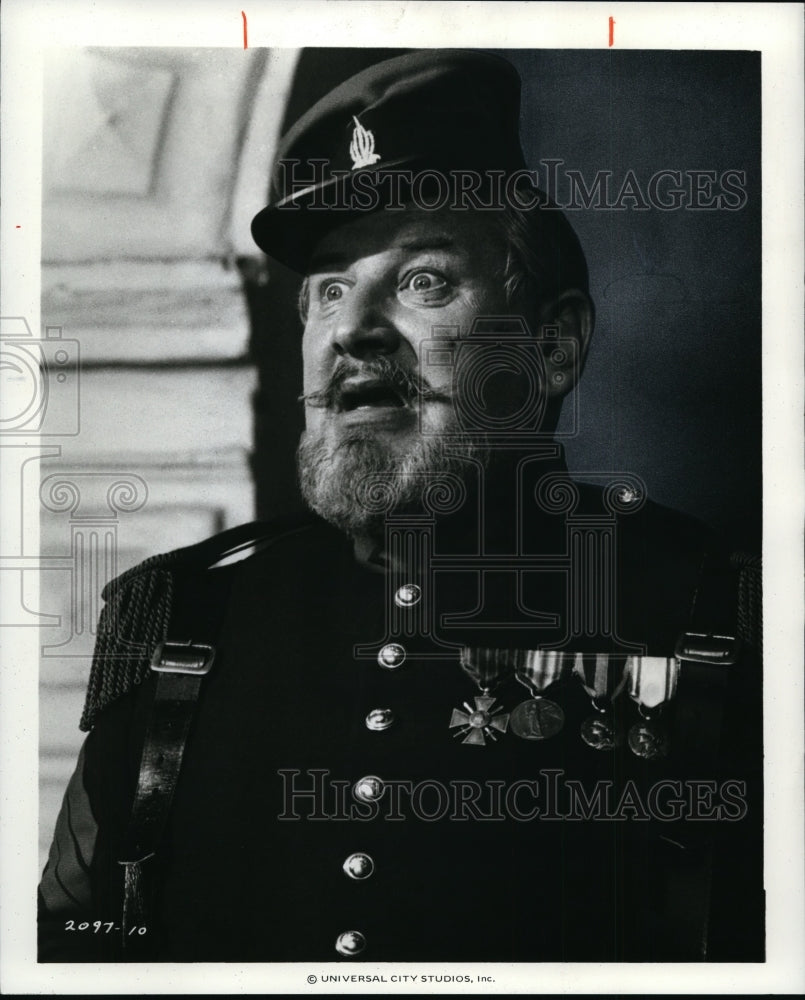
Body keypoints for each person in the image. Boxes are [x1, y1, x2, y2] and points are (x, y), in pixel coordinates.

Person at [38, 49, 763, 963]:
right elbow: (74, 952)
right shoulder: (181, 613)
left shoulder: (721, 614)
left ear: (552, 345)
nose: (350, 329)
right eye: (327, 291)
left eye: (422, 280)